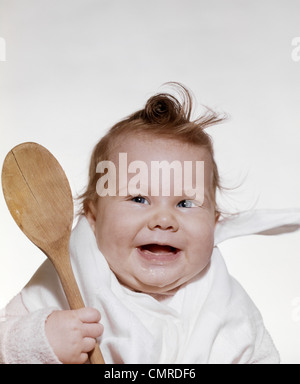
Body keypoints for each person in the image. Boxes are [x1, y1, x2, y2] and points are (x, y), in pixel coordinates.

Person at [1, 83, 299, 364]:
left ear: (214, 222)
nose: (164, 220)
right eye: (139, 199)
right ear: (93, 217)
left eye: (185, 203)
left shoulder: (226, 306)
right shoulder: (73, 276)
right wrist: (41, 342)